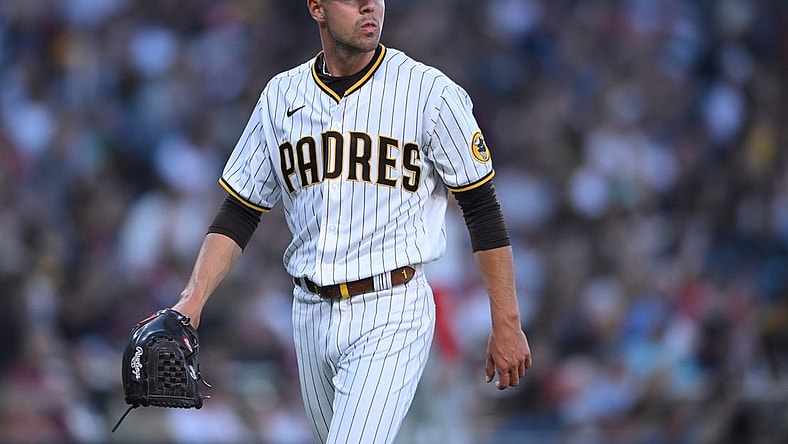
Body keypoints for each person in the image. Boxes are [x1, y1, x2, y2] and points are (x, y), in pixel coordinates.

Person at [171, 1, 532, 443]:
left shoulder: (429, 92)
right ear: (317, 8)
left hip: (392, 306)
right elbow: (240, 211)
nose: (369, 6)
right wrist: (192, 300)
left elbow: (482, 211)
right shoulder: (281, 96)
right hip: (308, 313)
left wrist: (507, 322)